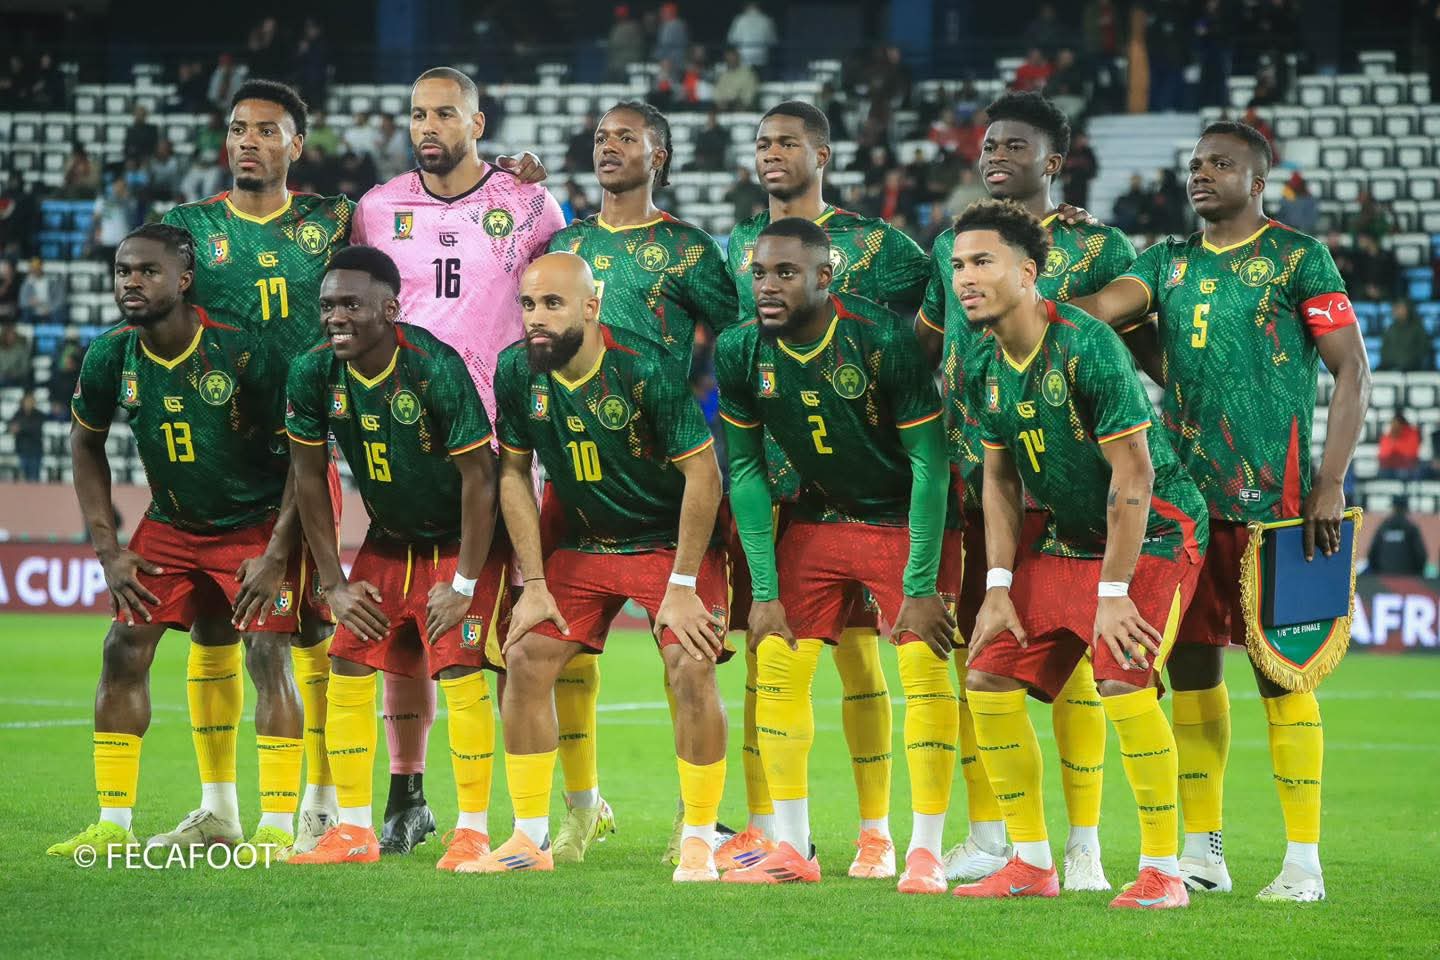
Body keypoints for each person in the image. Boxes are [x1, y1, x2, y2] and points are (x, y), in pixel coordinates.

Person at [1070, 120, 1372, 902]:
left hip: (1283, 507)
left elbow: (1352, 371)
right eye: (1196, 163)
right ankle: (1204, 851)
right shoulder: (1167, 261)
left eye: (1221, 164)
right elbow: (1098, 309)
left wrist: (1332, 481)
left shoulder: (1300, 258)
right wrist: (1059, 256)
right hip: (1189, 512)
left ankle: (1303, 863)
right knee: (1194, 675)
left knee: (1285, 677)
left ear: (1258, 180)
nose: (1201, 173)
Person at [950, 199, 1206, 909]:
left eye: (983, 261)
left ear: (1027, 272)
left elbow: (1135, 476)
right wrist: (997, 585)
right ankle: (1031, 864)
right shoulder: (980, 358)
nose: (966, 277)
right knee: (988, 677)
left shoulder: (1087, 345)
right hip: (1069, 536)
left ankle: (1163, 871)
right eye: (960, 264)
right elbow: (999, 479)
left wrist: (1114, 593)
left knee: (1123, 680)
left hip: (1154, 532)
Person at [915, 91, 1138, 889]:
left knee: (1074, 666)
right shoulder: (953, 245)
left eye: (1015, 145)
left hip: (1065, 484)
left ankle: (1083, 844)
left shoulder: (1097, 244)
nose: (995, 156)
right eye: (988, 145)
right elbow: (929, 343)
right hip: (980, 476)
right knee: (982, 653)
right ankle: (994, 836)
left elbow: (1131, 335)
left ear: (1053, 162)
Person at [350, 65, 560, 856]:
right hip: (406, 440)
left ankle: (552, 805)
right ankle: (408, 797)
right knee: (406, 628)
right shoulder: (376, 208)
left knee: (515, 633)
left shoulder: (529, 203)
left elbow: (560, 298)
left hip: (502, 444)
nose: (428, 127)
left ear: (478, 123)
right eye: (417, 115)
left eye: (444, 114)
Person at [465, 252, 728, 880]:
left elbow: (704, 475)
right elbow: (513, 474)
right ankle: (529, 838)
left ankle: (699, 837)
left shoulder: (644, 369)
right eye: (528, 304)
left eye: (552, 304)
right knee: (525, 657)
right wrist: (533, 583)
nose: (536, 317)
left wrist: (683, 584)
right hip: (585, 543)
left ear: (591, 306)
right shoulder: (516, 370)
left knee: (690, 665)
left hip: (667, 544)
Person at [716, 217, 960, 892]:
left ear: (826, 277)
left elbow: (930, 465)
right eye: (759, 273)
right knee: (775, 659)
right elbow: (746, 472)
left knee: (923, 667)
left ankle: (925, 852)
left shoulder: (882, 339)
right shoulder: (739, 349)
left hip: (903, 517)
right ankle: (793, 848)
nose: (767, 286)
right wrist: (764, 592)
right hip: (822, 514)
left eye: (786, 273)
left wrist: (920, 583)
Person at [47, 224, 303, 861]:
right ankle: (113, 822)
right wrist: (108, 549)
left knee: (268, 653)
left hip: (254, 525)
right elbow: (85, 443)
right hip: (171, 524)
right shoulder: (111, 355)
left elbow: (305, 453)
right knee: (122, 648)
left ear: (184, 280)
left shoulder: (242, 349)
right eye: (122, 271)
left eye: (147, 271)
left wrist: (277, 552)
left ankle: (277, 826)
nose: (130, 282)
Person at [161, 79, 355, 855]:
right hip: (221, 464)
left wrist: (509, 179)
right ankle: (219, 809)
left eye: (267, 130)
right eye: (239, 127)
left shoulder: (332, 221)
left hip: (299, 458)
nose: (249, 140)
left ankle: (320, 802)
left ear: (297, 145)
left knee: (302, 629)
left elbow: (425, 222)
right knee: (215, 626)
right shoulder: (187, 228)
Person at [544, 102, 738, 864]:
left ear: (659, 155)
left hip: (667, 474)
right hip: (579, 471)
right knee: (554, 650)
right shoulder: (566, 245)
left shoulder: (688, 251)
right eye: (601, 136)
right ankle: (581, 809)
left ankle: (700, 821)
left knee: (686, 652)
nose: (609, 146)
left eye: (627, 137)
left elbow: (740, 340)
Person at [285, 246, 506, 869]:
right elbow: (309, 476)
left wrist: (464, 583)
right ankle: (354, 830)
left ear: (390, 308)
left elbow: (481, 479)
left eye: (351, 305)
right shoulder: (312, 371)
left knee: (459, 666)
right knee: (348, 660)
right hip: (387, 540)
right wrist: (333, 582)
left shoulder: (434, 367)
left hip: (459, 542)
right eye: (328, 306)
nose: (336, 318)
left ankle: (472, 831)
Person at [1366, 496, 1428, 575]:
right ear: (1406, 509)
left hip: (1384, 577)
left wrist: (1377, 573)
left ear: (1393, 508)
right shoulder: (1411, 528)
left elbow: (1371, 554)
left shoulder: (1383, 527)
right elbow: (1421, 555)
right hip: (1408, 578)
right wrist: (1416, 574)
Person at [1379, 300, 1435, 372]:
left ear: (1407, 309)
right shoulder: (1390, 329)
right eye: (1396, 309)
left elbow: (1424, 349)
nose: (1398, 311)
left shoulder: (1418, 328)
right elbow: (1384, 351)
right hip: (1392, 368)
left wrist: (1410, 361)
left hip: (1415, 369)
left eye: (1401, 308)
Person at [727, 2, 778, 70]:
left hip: (744, 60)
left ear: (745, 6)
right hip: (762, 59)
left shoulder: (739, 20)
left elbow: (731, 40)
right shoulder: (767, 20)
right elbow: (773, 41)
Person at [9, 389, 44, 481]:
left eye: (30, 401)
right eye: (26, 401)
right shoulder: (18, 413)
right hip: (22, 449)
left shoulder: (39, 414)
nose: (28, 404)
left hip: (35, 449)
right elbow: (11, 426)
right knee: (23, 477)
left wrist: (20, 428)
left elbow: (35, 429)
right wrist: (13, 428)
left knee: (34, 477)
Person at [606, 5, 647, 83]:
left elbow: (617, 44)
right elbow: (612, 45)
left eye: (621, 14)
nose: (619, 16)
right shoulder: (617, 27)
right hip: (617, 62)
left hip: (628, 62)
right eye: (618, 14)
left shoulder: (633, 26)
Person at [19, 256, 64, 324]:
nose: (35, 270)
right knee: (26, 313)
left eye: (37, 268)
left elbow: (60, 299)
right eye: (33, 268)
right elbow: (22, 301)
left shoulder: (51, 281)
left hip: (49, 309)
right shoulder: (27, 283)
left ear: (41, 267)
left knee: (58, 314)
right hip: (34, 310)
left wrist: (49, 309)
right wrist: (30, 302)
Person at [1378, 411, 1422, 479]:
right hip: (1389, 467)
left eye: (1397, 424)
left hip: (1407, 467)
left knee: (1402, 472)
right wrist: (1393, 440)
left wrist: (1396, 446)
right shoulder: (1387, 436)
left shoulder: (1412, 434)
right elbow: (1383, 455)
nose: (1394, 426)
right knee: (1383, 473)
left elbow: (1410, 454)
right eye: (1393, 424)